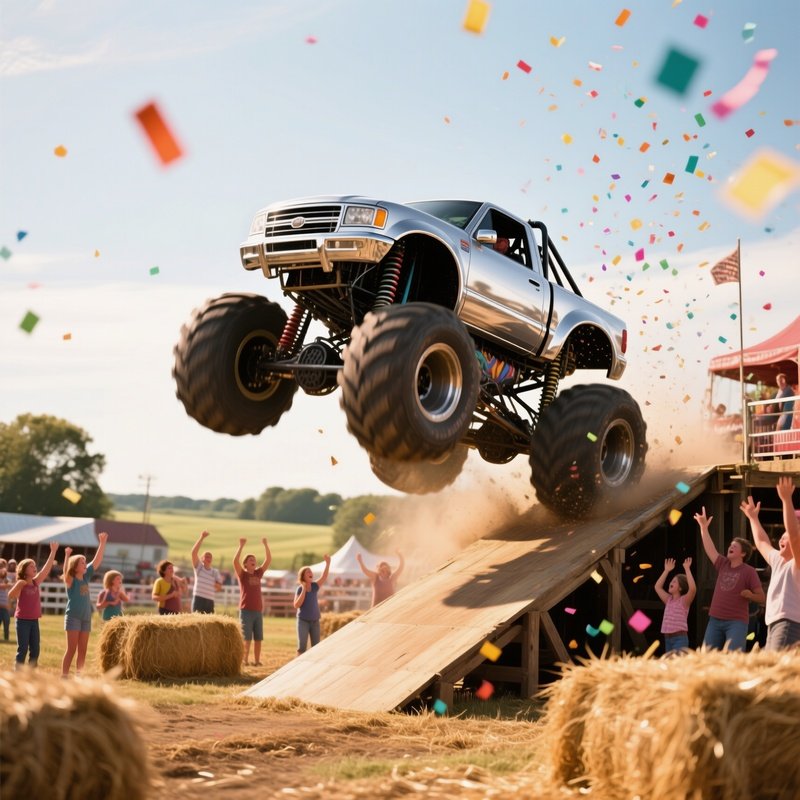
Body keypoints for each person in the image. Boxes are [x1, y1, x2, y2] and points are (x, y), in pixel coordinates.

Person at [740, 477, 800, 650]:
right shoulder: (779, 560)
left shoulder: (797, 562)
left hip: (789, 623)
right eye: (781, 535)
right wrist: (753, 518)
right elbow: (761, 542)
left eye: (785, 536)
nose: (781, 538)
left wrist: (786, 500)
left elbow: (795, 536)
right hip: (775, 623)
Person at [695, 508, 764, 651]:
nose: (730, 547)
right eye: (730, 545)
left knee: (734, 657)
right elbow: (710, 549)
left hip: (736, 622)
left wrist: (750, 595)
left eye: (734, 546)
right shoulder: (723, 563)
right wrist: (703, 527)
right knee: (706, 656)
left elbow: (762, 597)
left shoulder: (749, 571)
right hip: (714, 619)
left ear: (743, 553)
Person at [61, 532, 108, 678]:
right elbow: (65, 572)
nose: (85, 563)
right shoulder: (71, 580)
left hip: (86, 618)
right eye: (82, 562)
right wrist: (67, 556)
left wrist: (102, 543)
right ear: (75, 567)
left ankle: (79, 676)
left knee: (83, 650)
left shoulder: (86, 576)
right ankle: (64, 676)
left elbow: (96, 560)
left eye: (84, 561)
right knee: (72, 649)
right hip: (73, 617)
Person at [8, 543, 58, 669]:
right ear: (24, 570)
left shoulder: (36, 582)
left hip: (34, 621)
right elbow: (11, 595)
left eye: (35, 566)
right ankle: (18, 672)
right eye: (31, 566)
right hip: (22, 621)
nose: (34, 567)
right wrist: (19, 585)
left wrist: (53, 552)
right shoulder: (21, 583)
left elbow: (46, 569)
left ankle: (31, 673)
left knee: (35, 649)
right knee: (23, 648)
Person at [233, 537, 272, 666]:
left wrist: (266, 545)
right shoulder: (243, 575)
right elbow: (235, 561)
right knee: (247, 638)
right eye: (250, 560)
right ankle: (244, 660)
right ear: (245, 564)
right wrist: (241, 546)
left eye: (254, 560)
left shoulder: (258, 573)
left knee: (258, 638)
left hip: (257, 611)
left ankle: (256, 661)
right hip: (246, 610)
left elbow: (268, 560)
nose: (253, 561)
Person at [654, 557, 696, 654]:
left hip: (680, 639)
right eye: (671, 581)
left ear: (680, 588)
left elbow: (692, 589)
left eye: (674, 582)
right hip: (667, 639)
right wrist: (666, 570)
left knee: (678, 665)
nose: (671, 583)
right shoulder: (668, 600)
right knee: (670, 665)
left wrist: (687, 569)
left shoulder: (684, 601)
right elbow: (657, 587)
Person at [293, 555, 331, 656]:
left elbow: (324, 576)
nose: (311, 573)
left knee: (316, 647)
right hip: (303, 621)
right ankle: (298, 666)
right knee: (302, 647)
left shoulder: (314, 586)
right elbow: (296, 605)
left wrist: (327, 564)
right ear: (303, 576)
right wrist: (304, 589)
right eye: (308, 572)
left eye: (311, 571)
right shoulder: (300, 589)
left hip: (315, 621)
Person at [190, 530, 222, 613]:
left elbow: (219, 588)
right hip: (198, 598)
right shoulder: (199, 567)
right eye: (206, 556)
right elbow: (193, 552)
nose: (208, 558)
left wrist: (215, 585)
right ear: (202, 559)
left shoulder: (215, 572)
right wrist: (201, 538)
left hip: (210, 601)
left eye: (210, 557)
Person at [0, 560, 10, 641]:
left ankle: (6, 638)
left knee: (7, 622)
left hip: (5, 606)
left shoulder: (6, 579)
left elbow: (11, 585)